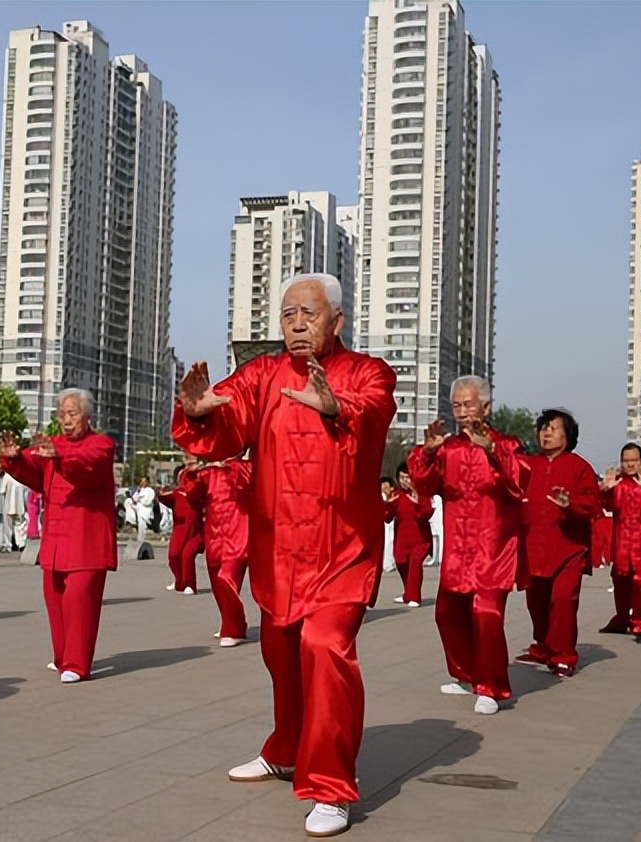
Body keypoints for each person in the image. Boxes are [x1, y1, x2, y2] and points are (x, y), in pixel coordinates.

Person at [174, 272, 395, 838]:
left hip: (342, 547)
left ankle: (331, 787)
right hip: (280, 549)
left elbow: (372, 413)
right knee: (281, 653)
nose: (296, 324)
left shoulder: (368, 372)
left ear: (337, 321)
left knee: (324, 648)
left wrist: (334, 406)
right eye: (288, 314)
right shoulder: (263, 375)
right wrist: (199, 412)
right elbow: (226, 423)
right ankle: (286, 749)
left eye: (309, 314)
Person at [408, 375, 527, 715]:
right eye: (456, 405)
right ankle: (467, 674)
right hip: (458, 549)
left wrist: (491, 450)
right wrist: (427, 453)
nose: (461, 412)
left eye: (468, 404)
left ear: (486, 406)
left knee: (486, 614)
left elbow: (518, 483)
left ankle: (491, 686)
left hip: (494, 547)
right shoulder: (448, 449)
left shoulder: (508, 445)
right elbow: (424, 485)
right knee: (447, 613)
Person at [0, 389, 117, 683]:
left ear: (87, 416)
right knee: (56, 603)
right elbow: (33, 473)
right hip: (55, 539)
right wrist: (14, 459)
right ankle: (64, 657)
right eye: (62, 414)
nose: (66, 419)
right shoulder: (52, 446)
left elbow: (88, 467)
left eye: (72, 413)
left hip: (87, 540)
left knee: (78, 600)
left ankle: (77, 664)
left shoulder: (101, 444)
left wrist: (61, 456)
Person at [516, 409, 601, 678]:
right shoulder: (528, 465)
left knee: (563, 599)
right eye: (543, 428)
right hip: (533, 546)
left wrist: (570, 504)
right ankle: (543, 646)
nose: (546, 433)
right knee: (536, 602)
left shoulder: (580, 467)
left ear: (568, 435)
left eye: (553, 428)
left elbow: (593, 505)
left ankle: (564, 654)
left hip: (569, 549)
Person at [599, 443, 641, 644]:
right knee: (619, 581)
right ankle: (621, 619)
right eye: (626, 461)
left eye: (633, 460)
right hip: (622, 545)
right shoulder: (618, 484)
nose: (629, 465)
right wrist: (605, 490)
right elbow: (605, 506)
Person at [193, 454, 253, 647]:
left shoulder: (245, 468)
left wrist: (229, 465)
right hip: (214, 535)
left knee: (226, 578)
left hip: (238, 533)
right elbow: (193, 499)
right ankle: (232, 621)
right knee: (217, 583)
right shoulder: (208, 473)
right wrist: (192, 475)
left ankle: (232, 629)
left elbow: (248, 483)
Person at [383, 462, 433, 607]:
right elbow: (387, 518)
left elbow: (426, 514)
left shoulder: (422, 494)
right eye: (402, 478)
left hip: (420, 538)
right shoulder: (397, 495)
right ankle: (408, 593)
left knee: (415, 564)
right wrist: (388, 503)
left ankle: (414, 597)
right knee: (401, 563)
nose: (404, 481)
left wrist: (417, 500)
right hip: (402, 538)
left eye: (407, 477)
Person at [158, 461, 204, 595]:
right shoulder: (176, 493)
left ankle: (190, 584)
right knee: (173, 556)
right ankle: (179, 580)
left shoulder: (197, 494)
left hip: (196, 533)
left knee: (187, 556)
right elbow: (164, 498)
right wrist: (161, 493)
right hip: (179, 531)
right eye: (181, 476)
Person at [124, 477, 156, 545]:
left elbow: (148, 502)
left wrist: (140, 500)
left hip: (145, 510)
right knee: (128, 501)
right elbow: (134, 499)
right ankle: (131, 521)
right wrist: (137, 494)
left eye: (144, 481)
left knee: (142, 525)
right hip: (138, 507)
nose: (142, 483)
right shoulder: (140, 490)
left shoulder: (150, 491)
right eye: (142, 481)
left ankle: (141, 540)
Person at [379, 477, 397, 574]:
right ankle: (386, 564)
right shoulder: (380, 496)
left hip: (392, 522)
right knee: (386, 542)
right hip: (383, 522)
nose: (385, 488)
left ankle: (390, 562)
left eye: (387, 486)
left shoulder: (394, 496)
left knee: (391, 541)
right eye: (383, 486)